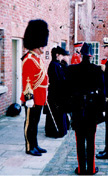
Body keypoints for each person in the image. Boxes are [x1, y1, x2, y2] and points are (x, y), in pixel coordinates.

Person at [67, 43, 105, 175]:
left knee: (79, 140)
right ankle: (91, 168)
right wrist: (101, 110)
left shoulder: (71, 70)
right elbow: (102, 92)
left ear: (80, 55)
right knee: (91, 140)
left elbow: (67, 91)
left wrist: (69, 108)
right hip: (92, 109)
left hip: (77, 109)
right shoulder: (97, 70)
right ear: (92, 56)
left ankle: (81, 168)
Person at [21, 19, 49, 156]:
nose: (43, 47)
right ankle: (29, 146)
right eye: (42, 45)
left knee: (36, 123)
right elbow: (27, 81)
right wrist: (28, 98)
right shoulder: (29, 59)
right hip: (32, 97)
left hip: (40, 96)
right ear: (36, 44)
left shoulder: (37, 58)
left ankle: (35, 144)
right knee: (30, 124)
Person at [45, 46, 69, 138]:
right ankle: (54, 131)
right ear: (57, 55)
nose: (62, 57)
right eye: (61, 55)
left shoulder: (57, 64)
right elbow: (58, 80)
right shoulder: (54, 65)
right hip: (55, 93)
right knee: (55, 113)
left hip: (57, 93)